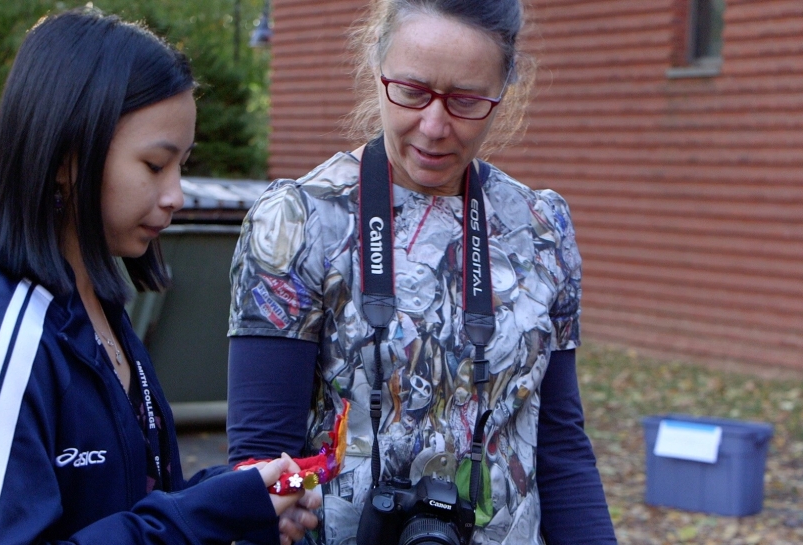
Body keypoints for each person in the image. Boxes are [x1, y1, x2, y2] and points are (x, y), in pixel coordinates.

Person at [0, 9, 318, 545]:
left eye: (182, 166)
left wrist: (232, 499)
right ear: (65, 157)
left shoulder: (99, 312)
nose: (176, 195)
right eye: (153, 165)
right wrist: (199, 518)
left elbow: (126, 508)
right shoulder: (5, 345)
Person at [226, 0, 618, 543]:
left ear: (505, 92)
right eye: (411, 92)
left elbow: (560, 446)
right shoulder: (300, 221)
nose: (435, 127)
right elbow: (260, 460)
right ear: (377, 66)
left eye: (466, 101)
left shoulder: (539, 228)